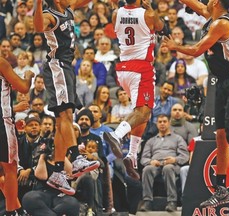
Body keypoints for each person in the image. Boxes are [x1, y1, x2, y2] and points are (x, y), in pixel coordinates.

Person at [162, 0, 229, 213]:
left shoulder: (222, 24)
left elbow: (197, 49)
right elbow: (194, 4)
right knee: (220, 136)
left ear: (216, 2)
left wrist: (175, 46)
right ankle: (221, 188)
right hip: (222, 82)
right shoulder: (212, 14)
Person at [34, 0, 100, 195]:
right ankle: (76, 156)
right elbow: (38, 26)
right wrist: (38, 4)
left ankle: (58, 170)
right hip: (57, 66)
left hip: (66, 67)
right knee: (66, 116)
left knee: (60, 122)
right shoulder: (49, 15)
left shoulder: (68, 7)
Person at [102, 0, 165, 180]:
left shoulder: (116, 13)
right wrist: (150, 7)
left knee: (142, 112)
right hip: (141, 68)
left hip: (123, 70)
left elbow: (120, 15)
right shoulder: (149, 14)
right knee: (143, 112)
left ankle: (132, 155)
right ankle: (117, 134)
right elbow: (161, 27)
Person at [0, 57, 34, 216]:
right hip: (2, 121)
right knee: (10, 168)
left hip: (6, 118)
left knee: (2, 176)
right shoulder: (1, 62)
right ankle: (11, 212)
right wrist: (28, 75)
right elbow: (24, 88)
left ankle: (18, 210)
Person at [139, 114, 189, 212]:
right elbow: (143, 158)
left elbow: (185, 156)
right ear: (157, 124)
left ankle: (172, 202)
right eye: (160, 122)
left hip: (172, 165)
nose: (162, 124)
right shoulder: (151, 141)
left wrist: (174, 160)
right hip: (155, 165)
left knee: (168, 168)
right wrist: (151, 161)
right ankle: (147, 201)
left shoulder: (177, 138)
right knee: (147, 169)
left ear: (169, 123)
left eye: (164, 121)